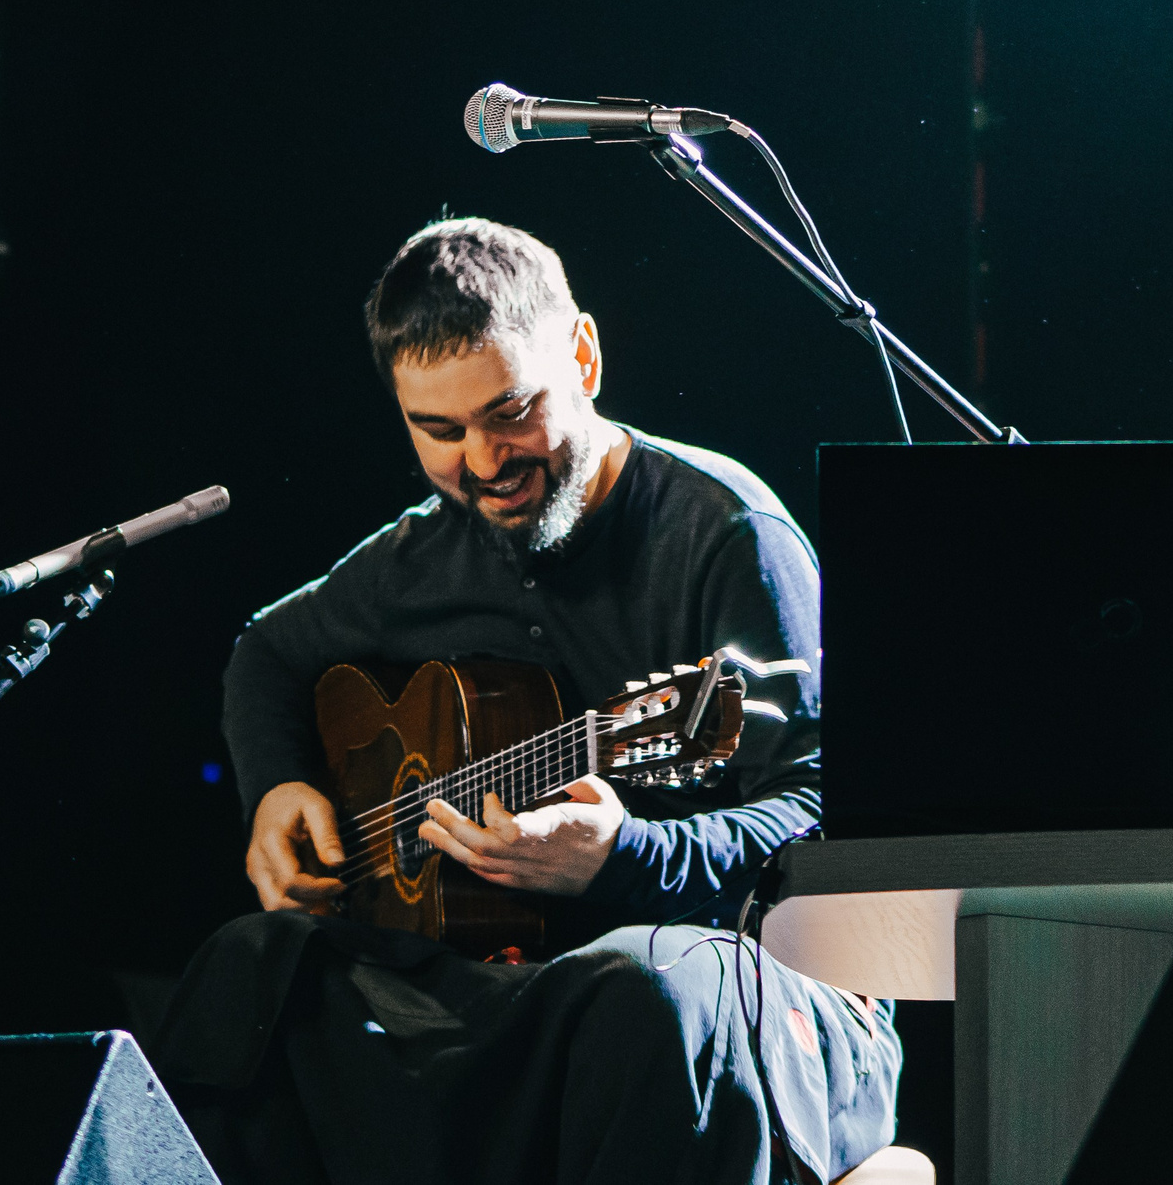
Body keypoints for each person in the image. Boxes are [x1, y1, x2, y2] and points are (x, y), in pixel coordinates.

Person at [153, 217, 901, 1185]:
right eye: (439, 431)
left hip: (760, 979)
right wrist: (277, 787)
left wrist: (627, 854)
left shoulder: (727, 534)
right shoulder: (418, 555)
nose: (481, 461)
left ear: (583, 356)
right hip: (533, 992)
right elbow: (266, 654)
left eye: (510, 412)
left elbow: (826, 826)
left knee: (647, 989)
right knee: (252, 966)